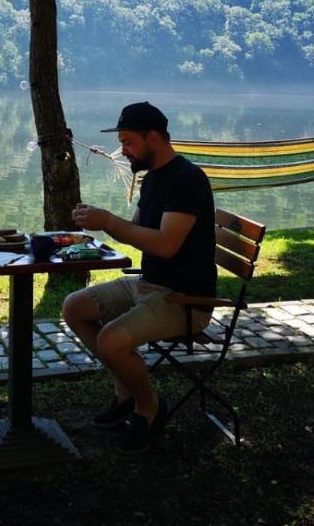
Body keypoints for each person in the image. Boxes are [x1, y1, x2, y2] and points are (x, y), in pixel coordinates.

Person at [62, 101, 217, 453]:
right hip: (148, 284)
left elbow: (165, 245)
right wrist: (98, 223)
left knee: (112, 341)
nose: (123, 151)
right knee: (75, 307)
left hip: (184, 298)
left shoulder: (187, 181)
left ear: (155, 138)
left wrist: (111, 223)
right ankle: (125, 394)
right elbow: (135, 230)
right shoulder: (154, 179)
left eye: (129, 142)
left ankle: (149, 406)